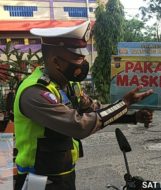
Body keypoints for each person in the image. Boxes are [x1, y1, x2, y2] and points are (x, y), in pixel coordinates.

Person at [13, 20, 153, 190]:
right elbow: (79, 126)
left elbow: (96, 113)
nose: (84, 63)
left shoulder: (70, 85)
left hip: (64, 174)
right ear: (56, 62)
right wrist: (124, 103)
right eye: (77, 57)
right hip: (37, 180)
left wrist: (132, 116)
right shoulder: (35, 93)